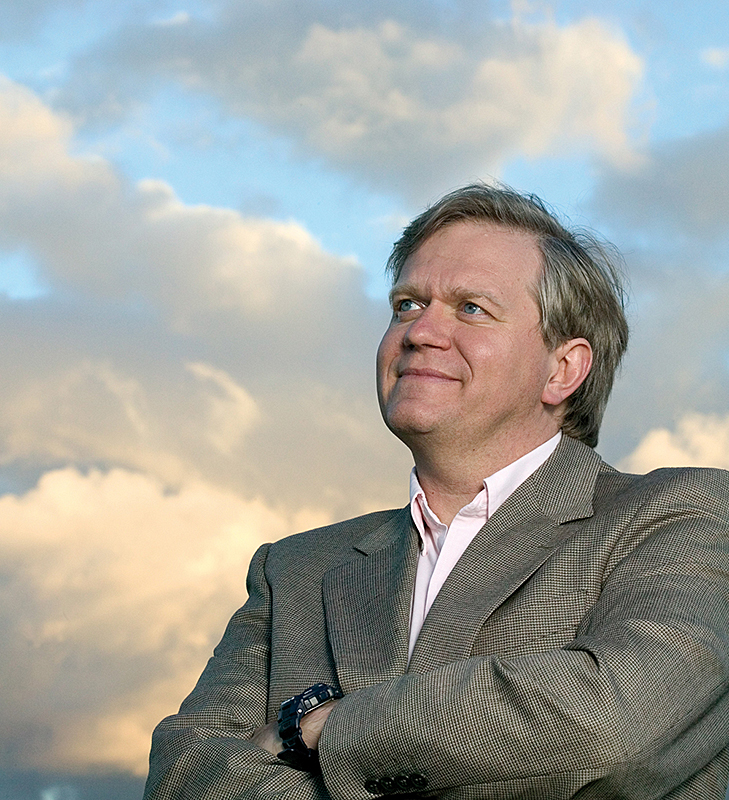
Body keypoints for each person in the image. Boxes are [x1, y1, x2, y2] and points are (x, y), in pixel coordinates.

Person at [143, 184, 729, 799]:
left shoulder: (684, 517)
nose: (421, 331)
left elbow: (614, 722)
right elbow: (186, 771)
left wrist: (315, 733)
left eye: (470, 308)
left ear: (563, 369)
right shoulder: (294, 571)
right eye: (406, 305)